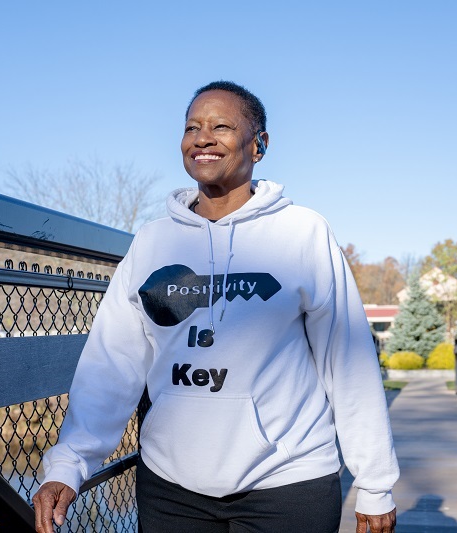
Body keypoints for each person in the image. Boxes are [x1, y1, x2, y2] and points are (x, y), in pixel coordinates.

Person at [33, 81, 399, 533]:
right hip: (171, 486)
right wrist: (68, 464)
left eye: (221, 126)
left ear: (259, 145)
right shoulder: (152, 242)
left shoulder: (303, 233)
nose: (202, 138)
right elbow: (112, 362)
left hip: (288, 480)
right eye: (192, 128)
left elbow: (348, 362)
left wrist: (375, 481)